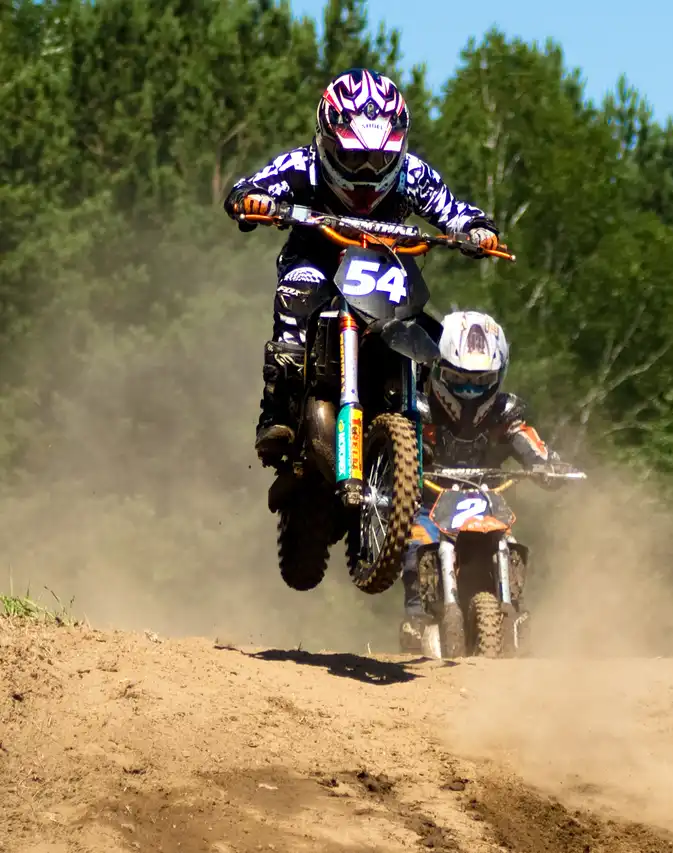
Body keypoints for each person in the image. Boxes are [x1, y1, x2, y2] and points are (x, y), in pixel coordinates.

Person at [222, 67, 501, 466]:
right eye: (354, 157)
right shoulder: (302, 166)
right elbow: (249, 188)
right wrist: (252, 200)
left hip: (386, 271)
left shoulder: (412, 175)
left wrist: (477, 230)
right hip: (316, 262)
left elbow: (452, 210)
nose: (368, 170)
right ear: (326, 141)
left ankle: (437, 436)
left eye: (380, 158)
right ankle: (278, 412)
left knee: (437, 342)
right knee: (295, 294)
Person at [399, 309, 573, 652]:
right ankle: (417, 619)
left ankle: (514, 611)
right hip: (429, 506)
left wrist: (547, 465)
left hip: (486, 508)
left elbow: (530, 444)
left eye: (480, 382)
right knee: (416, 542)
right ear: (437, 369)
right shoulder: (418, 411)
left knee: (512, 544)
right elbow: (393, 445)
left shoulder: (504, 415)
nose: (468, 391)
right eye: (458, 378)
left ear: (498, 375)